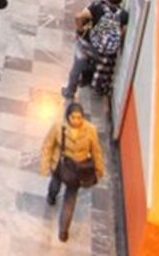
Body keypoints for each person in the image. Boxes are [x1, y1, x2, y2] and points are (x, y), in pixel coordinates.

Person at [40, 103, 105, 242]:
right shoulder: (58, 127)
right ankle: (51, 196)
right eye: (73, 117)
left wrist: (99, 168)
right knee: (55, 184)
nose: (76, 120)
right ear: (67, 116)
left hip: (77, 171)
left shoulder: (91, 130)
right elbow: (48, 145)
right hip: (59, 165)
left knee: (70, 199)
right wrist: (45, 166)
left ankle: (64, 230)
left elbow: (96, 151)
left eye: (79, 117)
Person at [62, 0, 128, 99]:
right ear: (120, 0)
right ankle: (88, 82)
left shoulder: (97, 6)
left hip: (87, 44)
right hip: (104, 52)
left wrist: (80, 29)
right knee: (93, 64)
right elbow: (121, 33)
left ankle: (70, 92)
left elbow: (79, 16)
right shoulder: (123, 15)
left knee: (77, 68)